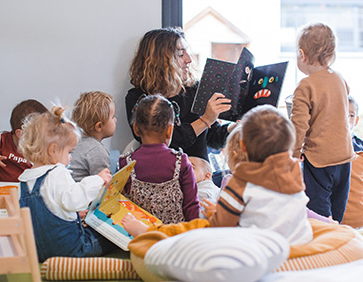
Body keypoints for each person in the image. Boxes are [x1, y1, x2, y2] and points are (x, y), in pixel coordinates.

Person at [122, 105, 313, 246]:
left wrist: (216, 215)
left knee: (192, 230)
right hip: (297, 242)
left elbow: (219, 227)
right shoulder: (294, 172)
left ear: (243, 148)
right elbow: (264, 212)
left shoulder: (240, 183)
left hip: (256, 248)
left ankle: (149, 232)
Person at [18, 106, 116, 262]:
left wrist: (74, 214)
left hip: (37, 252)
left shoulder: (24, 180)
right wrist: (98, 179)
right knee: (108, 235)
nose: (70, 158)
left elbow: (47, 210)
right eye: (69, 152)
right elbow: (74, 199)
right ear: (53, 150)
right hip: (70, 250)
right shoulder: (57, 172)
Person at [126, 27, 235, 162]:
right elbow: (170, 141)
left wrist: (235, 128)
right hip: (161, 174)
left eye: (187, 52)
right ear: (160, 60)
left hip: (199, 176)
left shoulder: (193, 90)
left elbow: (213, 138)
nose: (189, 59)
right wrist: (206, 119)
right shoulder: (139, 99)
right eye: (180, 54)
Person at [291, 23, 355, 223]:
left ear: (302, 54)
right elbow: (345, 94)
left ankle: (322, 239)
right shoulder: (339, 78)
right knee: (338, 206)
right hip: (344, 156)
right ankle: (338, 237)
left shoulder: (305, 86)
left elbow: (298, 124)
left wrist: (293, 153)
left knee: (318, 212)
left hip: (319, 159)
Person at [119, 94, 200, 224]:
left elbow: (122, 205)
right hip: (172, 238)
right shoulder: (181, 162)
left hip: (139, 238)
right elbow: (192, 207)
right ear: (170, 130)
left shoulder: (126, 162)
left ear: (136, 128)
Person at [0, 99, 48, 188]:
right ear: (20, 134)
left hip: (26, 193)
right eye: (39, 133)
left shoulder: (43, 148)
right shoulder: (0, 140)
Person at [70, 91, 117, 182]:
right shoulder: (96, 150)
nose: (115, 120)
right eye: (112, 117)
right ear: (99, 126)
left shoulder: (76, 141)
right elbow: (105, 184)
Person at [341, 95, 363, 229]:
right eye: (342, 113)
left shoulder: (360, 149)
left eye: (351, 116)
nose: (346, 120)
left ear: (356, 120)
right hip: (333, 221)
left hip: (358, 223)